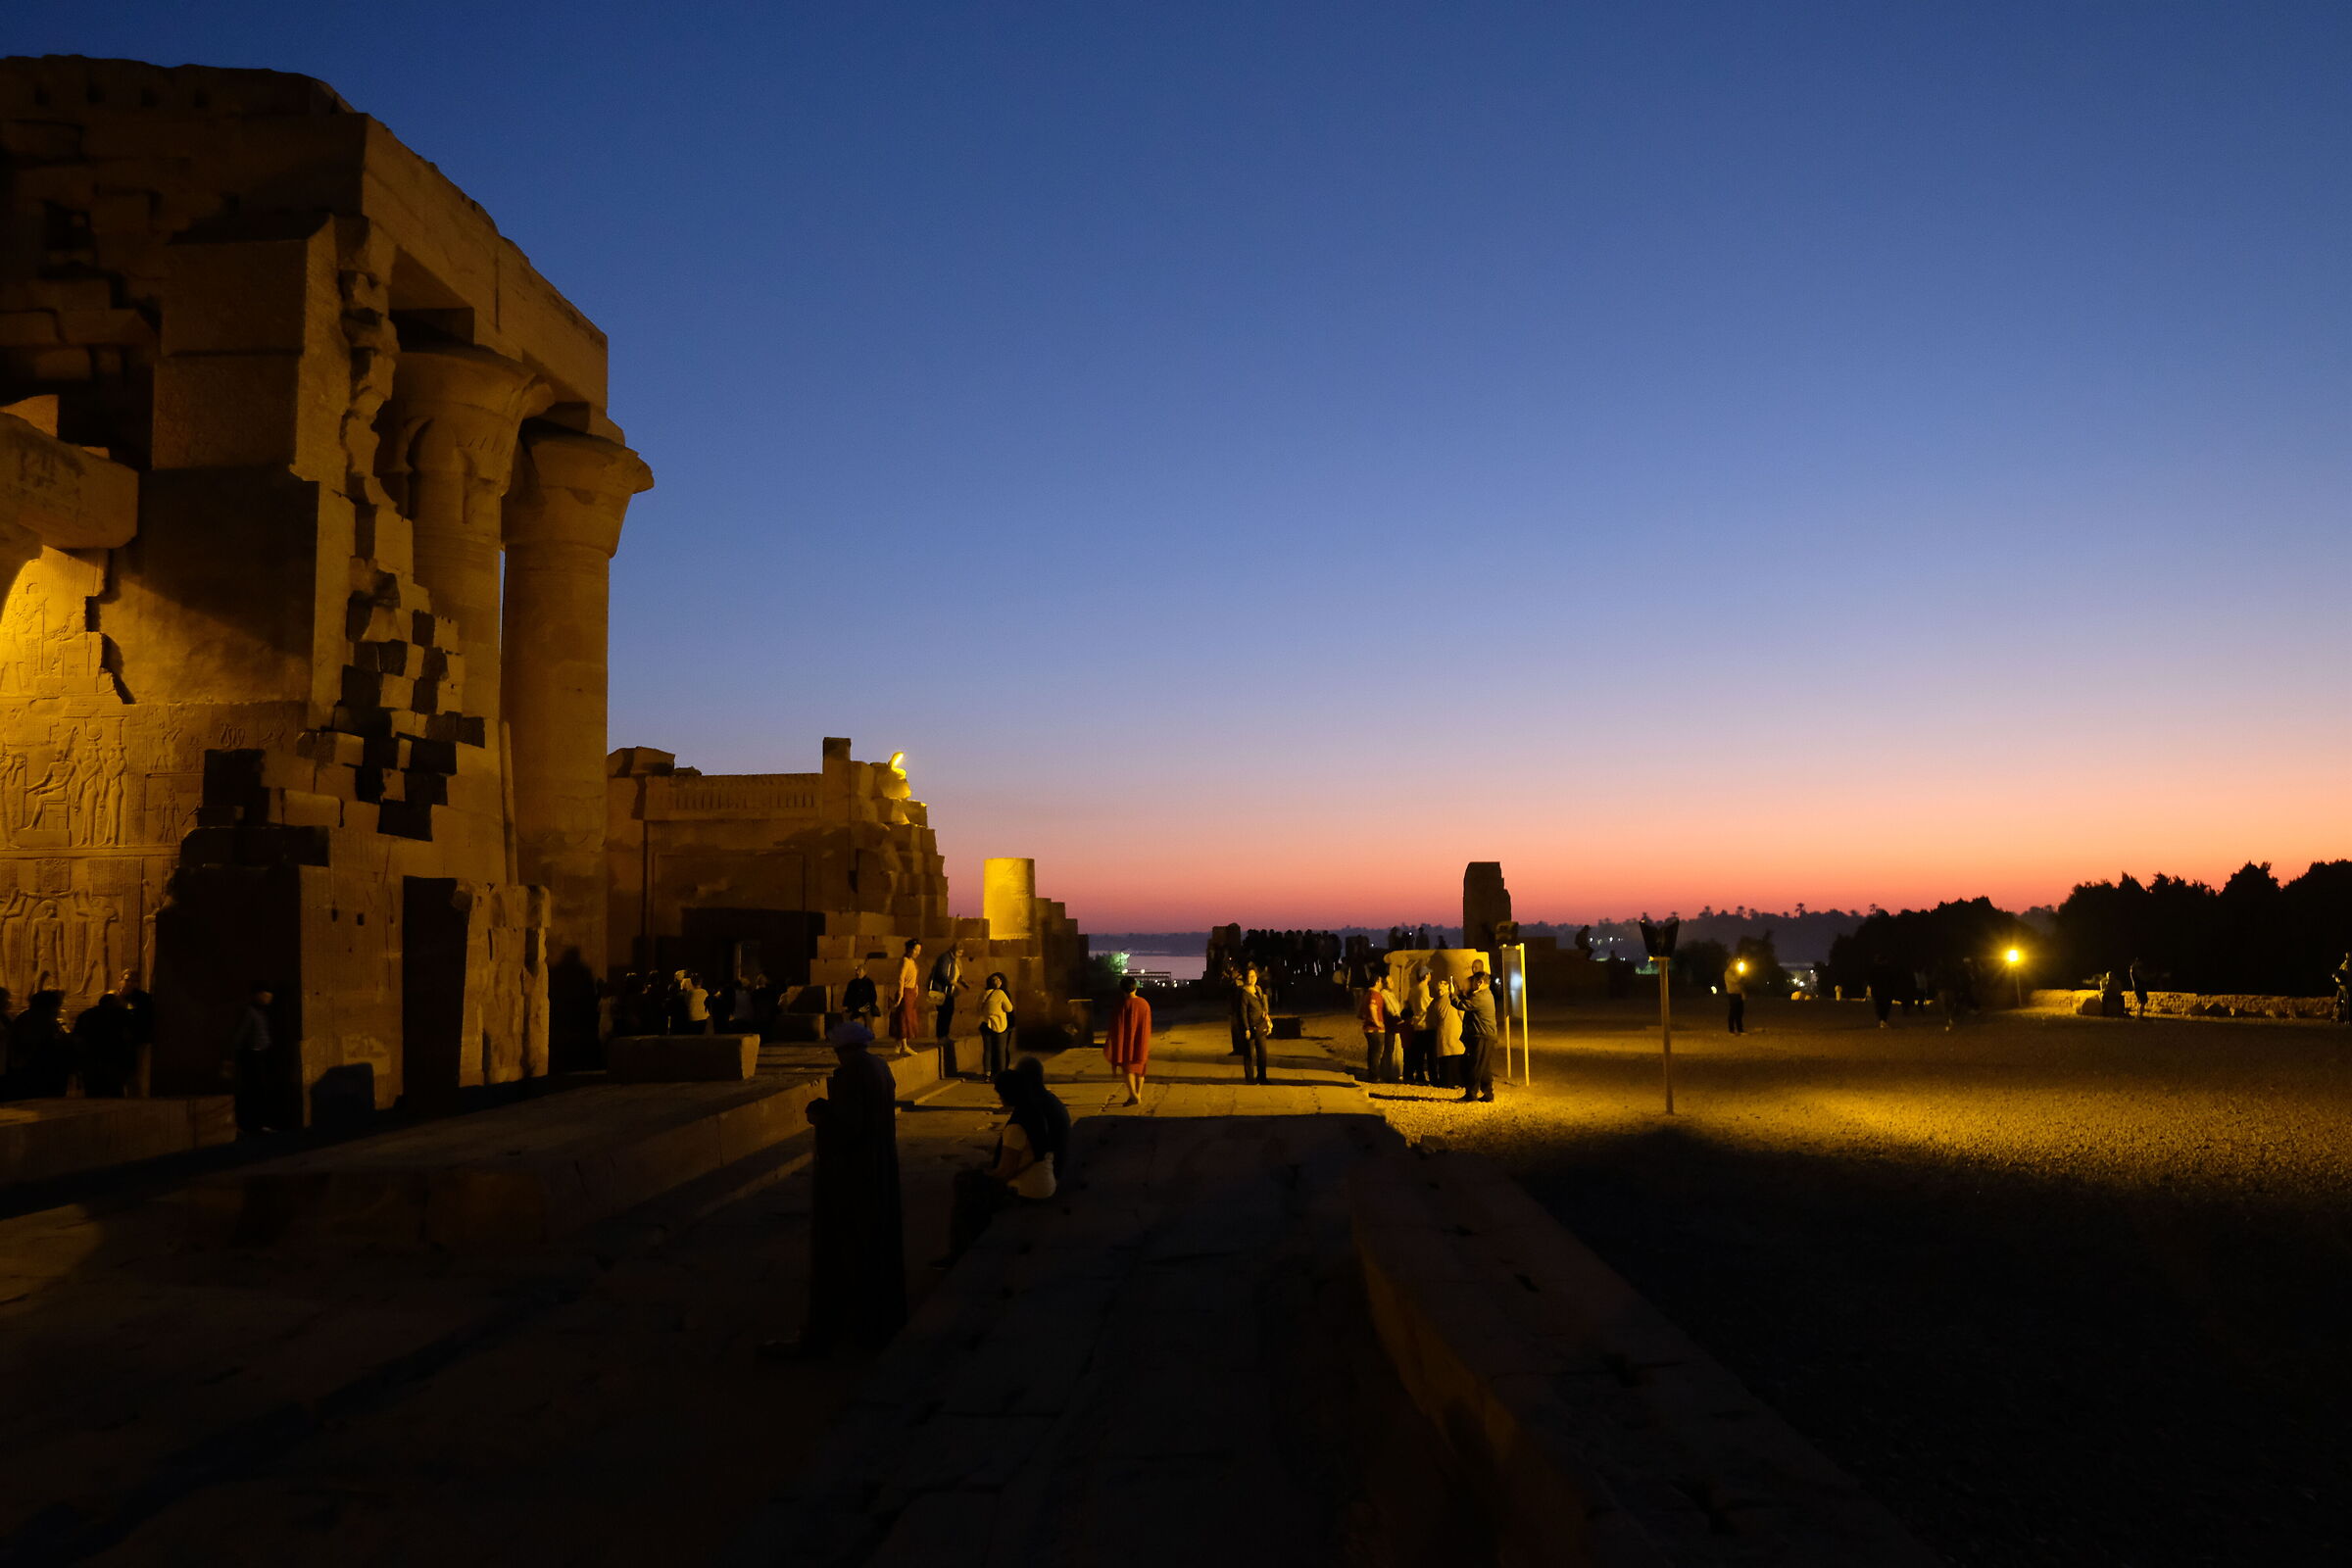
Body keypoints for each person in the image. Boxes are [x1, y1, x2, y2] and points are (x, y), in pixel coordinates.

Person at [766, 1018, 905, 1356]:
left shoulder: (852, 1073)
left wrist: (821, 1115)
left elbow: (849, 1127)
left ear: (843, 1049)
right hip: (878, 1164)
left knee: (848, 1245)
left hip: (854, 1173)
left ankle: (845, 1326)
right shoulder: (879, 1066)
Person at [229, 984, 276, 1134]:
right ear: (258, 995)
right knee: (256, 1089)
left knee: (260, 1089)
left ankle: (258, 1123)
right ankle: (253, 1124)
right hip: (253, 1055)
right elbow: (240, 1034)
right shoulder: (250, 1012)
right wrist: (234, 1056)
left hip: (261, 1054)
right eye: (266, 994)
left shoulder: (261, 1012)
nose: (269, 998)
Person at [72, 992, 134, 1097]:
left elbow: (78, 1038)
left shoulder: (86, 1015)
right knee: (115, 1092)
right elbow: (129, 1035)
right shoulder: (122, 1014)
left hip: (92, 1060)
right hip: (115, 1059)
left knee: (92, 1092)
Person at [1102, 976, 1152, 1105]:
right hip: (1141, 1041)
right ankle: (1138, 1094)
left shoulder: (1122, 1005)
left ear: (1122, 989)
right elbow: (1147, 1025)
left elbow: (1116, 1025)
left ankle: (1133, 1095)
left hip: (1126, 1042)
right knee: (1140, 1068)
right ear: (1135, 987)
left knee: (1128, 1068)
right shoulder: (1144, 1003)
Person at [1451, 968, 1497, 1103]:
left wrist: (1452, 994)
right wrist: (1459, 991)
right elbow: (1468, 999)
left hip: (1481, 1036)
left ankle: (1471, 1094)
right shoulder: (1485, 994)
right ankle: (1488, 1094)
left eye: (1472, 982)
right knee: (1484, 1067)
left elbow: (1462, 1005)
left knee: (1475, 1066)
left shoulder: (1480, 997)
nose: (1471, 985)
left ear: (1479, 982)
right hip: (1486, 1036)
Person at [928, 942, 968, 1072]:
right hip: (942, 991)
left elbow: (955, 974)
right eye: (960, 952)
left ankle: (945, 1035)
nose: (961, 954)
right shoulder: (945, 958)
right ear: (955, 950)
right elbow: (942, 974)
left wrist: (962, 982)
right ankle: (941, 1036)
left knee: (949, 1012)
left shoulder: (954, 959)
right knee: (944, 1013)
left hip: (949, 991)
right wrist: (954, 983)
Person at [1236, 964, 1273, 1085]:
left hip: (1261, 1026)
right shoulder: (1244, 993)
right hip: (1250, 1028)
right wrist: (1246, 1029)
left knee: (1262, 1054)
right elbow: (1242, 1012)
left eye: (1254, 976)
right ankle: (1250, 1079)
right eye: (1249, 976)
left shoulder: (1258, 989)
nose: (1252, 978)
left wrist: (1267, 1019)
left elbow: (1263, 1006)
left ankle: (1262, 1077)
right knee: (1249, 1055)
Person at [977, 971, 1015, 1077]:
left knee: (988, 1050)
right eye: (995, 980)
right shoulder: (1001, 993)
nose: (997, 982)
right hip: (999, 1025)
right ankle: (1001, 1074)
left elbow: (978, 1008)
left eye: (998, 979)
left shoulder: (984, 993)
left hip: (985, 1024)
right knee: (1001, 1051)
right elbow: (1009, 1008)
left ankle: (987, 1074)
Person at [890, 939, 925, 1051]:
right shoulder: (905, 961)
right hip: (906, 992)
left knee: (908, 1018)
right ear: (910, 949)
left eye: (919, 950)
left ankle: (899, 1044)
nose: (918, 952)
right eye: (916, 950)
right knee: (904, 1018)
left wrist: (916, 988)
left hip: (911, 992)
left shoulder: (912, 962)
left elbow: (914, 977)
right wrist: (900, 994)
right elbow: (901, 978)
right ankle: (904, 1045)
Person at [1430, 975, 1464, 1089]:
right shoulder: (1455, 1000)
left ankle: (1447, 1081)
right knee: (1457, 1057)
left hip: (1443, 1032)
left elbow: (1434, 1021)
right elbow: (1462, 1015)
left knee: (1445, 1058)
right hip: (1457, 1031)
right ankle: (1458, 1080)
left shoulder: (1436, 1004)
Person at [1404, 964, 1435, 1086]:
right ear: (1426, 975)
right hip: (1427, 1024)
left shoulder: (1413, 989)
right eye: (1429, 973)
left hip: (1416, 1025)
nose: (1430, 975)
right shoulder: (1426, 990)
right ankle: (1433, 1078)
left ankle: (1420, 1075)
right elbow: (1430, 1006)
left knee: (1419, 1054)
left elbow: (1409, 1005)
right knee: (1431, 1054)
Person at [1358, 977, 1391, 1084]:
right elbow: (1372, 1007)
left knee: (1372, 1053)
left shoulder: (1367, 994)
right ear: (1377, 981)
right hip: (1375, 1029)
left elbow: (1361, 1013)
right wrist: (1377, 1023)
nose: (1382, 983)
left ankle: (1372, 1074)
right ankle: (1375, 1076)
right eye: (1381, 981)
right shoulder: (1375, 994)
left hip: (1368, 1028)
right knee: (1377, 1053)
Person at [842, 954, 882, 1024]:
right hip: (854, 1007)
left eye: (859, 971)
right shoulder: (852, 983)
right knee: (845, 1017)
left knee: (868, 1018)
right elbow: (847, 995)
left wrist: (866, 1007)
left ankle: (869, 1034)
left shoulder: (869, 983)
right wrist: (846, 1005)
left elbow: (873, 997)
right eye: (857, 971)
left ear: (864, 972)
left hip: (865, 1008)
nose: (857, 972)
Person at [1725, 959, 1747, 1036]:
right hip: (1732, 994)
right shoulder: (1727, 973)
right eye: (1734, 963)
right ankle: (1731, 1030)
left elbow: (1741, 983)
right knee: (1733, 1012)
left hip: (1738, 994)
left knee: (1740, 1012)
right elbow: (1736, 980)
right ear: (1730, 964)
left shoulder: (1736, 972)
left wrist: (1743, 993)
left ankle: (1740, 1029)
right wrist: (1740, 972)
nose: (1735, 965)